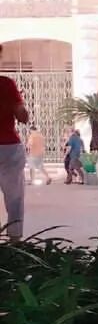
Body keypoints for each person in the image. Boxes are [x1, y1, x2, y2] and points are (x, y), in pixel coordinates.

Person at [0, 67, 29, 240]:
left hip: (9, 148)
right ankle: (15, 240)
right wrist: (17, 101)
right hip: (8, 148)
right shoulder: (6, 83)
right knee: (14, 198)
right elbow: (23, 117)